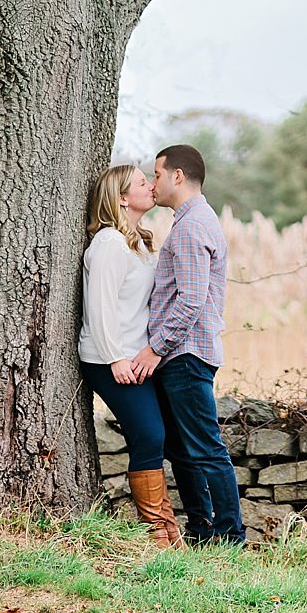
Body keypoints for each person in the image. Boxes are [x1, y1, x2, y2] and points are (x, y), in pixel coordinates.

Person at [131, 145, 245, 546]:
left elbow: (192, 300)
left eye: (157, 174)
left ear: (178, 176)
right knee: (182, 450)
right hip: (179, 355)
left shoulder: (194, 226)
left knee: (205, 449)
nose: (153, 182)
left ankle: (230, 537)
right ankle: (201, 530)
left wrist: (155, 348)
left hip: (185, 355)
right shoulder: (190, 222)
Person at [78, 165, 183, 548]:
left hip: (135, 356)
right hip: (109, 358)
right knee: (149, 434)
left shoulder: (136, 241)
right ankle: (158, 533)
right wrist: (115, 358)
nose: (151, 186)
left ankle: (169, 534)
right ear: (122, 198)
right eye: (142, 182)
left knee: (157, 434)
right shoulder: (108, 242)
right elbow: (99, 307)